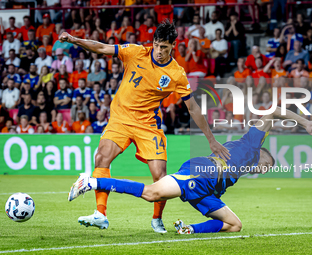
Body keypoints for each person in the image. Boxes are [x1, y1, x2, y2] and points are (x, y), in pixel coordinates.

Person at [59, 19, 230, 233]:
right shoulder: (135, 52)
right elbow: (102, 47)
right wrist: (74, 40)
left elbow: (193, 109)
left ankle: (157, 219)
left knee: (160, 177)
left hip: (148, 125)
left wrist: (211, 140)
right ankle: (100, 214)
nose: (159, 51)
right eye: (157, 45)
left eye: (164, 47)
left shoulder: (176, 73)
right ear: (153, 42)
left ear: (172, 46)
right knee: (101, 158)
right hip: (120, 119)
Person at [68, 106, 312, 234]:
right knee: (151, 193)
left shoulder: (245, 165)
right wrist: (306, 122)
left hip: (209, 189)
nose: (264, 169)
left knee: (234, 225)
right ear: (263, 153)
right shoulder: (253, 143)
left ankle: (188, 229)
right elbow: (274, 112)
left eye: (267, 169)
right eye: (267, 164)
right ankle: (92, 182)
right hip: (202, 172)